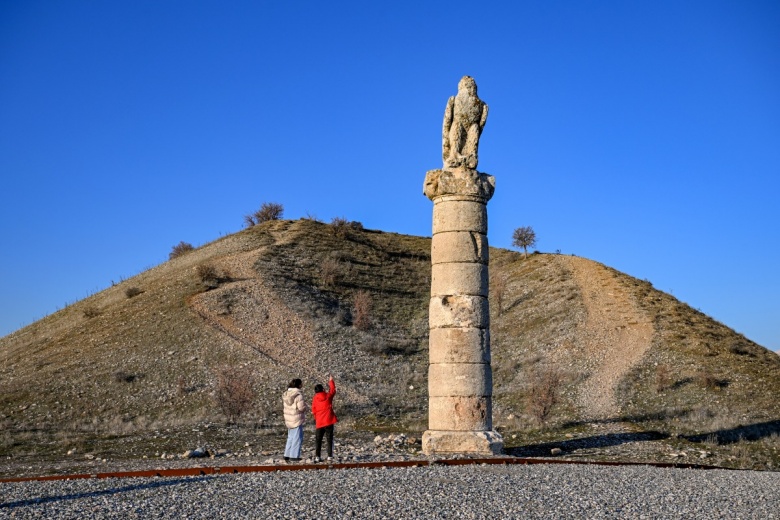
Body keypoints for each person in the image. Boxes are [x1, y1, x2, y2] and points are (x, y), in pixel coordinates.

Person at [311, 373, 338, 462]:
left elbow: (314, 410)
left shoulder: (315, 398)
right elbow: (333, 390)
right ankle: (330, 456)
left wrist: (316, 418)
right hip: (329, 420)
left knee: (318, 440)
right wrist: (331, 380)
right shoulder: (328, 396)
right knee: (329, 438)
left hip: (320, 422)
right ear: (323, 389)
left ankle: (317, 456)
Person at [282, 378, 306, 462]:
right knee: (297, 438)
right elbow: (301, 408)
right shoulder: (298, 395)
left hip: (289, 419)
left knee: (290, 438)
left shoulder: (286, 394)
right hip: (296, 419)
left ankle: (287, 454)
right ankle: (294, 456)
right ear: (299, 385)